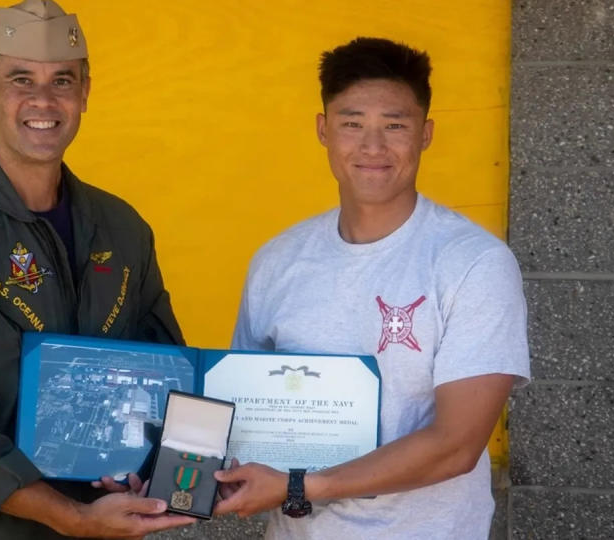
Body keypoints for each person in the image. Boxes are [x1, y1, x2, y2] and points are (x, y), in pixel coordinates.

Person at [0, 1, 195, 538]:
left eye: (62, 81)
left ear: (85, 94)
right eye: (21, 80)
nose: (43, 100)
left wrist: (156, 474)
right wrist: (70, 518)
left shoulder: (121, 228)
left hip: (102, 523)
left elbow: (163, 372)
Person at [214, 37, 530, 539]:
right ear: (323, 130)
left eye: (395, 126)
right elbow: (245, 417)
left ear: (425, 135)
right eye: (352, 123)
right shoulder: (277, 261)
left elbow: (457, 444)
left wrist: (299, 486)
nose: (373, 147)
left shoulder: (474, 263)